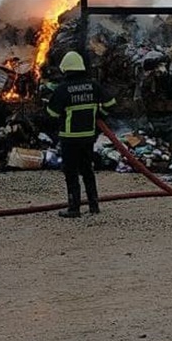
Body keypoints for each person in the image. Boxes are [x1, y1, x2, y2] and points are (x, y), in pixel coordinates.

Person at [46, 51, 116, 218]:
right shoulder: (93, 85)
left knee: (71, 172)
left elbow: (51, 114)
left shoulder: (63, 89)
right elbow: (111, 103)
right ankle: (93, 205)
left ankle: (74, 207)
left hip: (69, 138)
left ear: (66, 70)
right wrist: (100, 114)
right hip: (88, 136)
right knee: (87, 170)